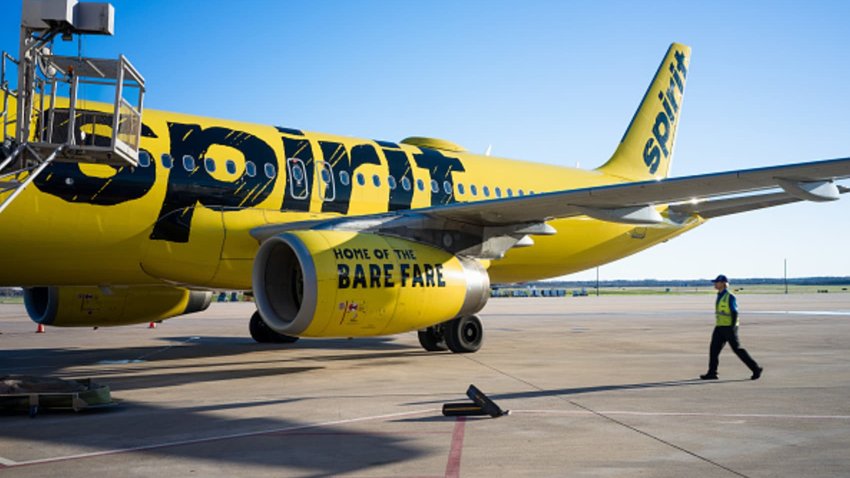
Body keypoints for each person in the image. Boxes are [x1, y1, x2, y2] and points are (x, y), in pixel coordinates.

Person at [700, 275, 763, 380]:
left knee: (737, 349)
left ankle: (756, 368)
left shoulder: (730, 296)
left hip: (729, 327)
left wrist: (733, 327)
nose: (715, 284)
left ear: (723, 283)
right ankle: (712, 373)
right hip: (720, 327)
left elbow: (734, 312)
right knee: (713, 350)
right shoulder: (719, 295)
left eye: (717, 282)